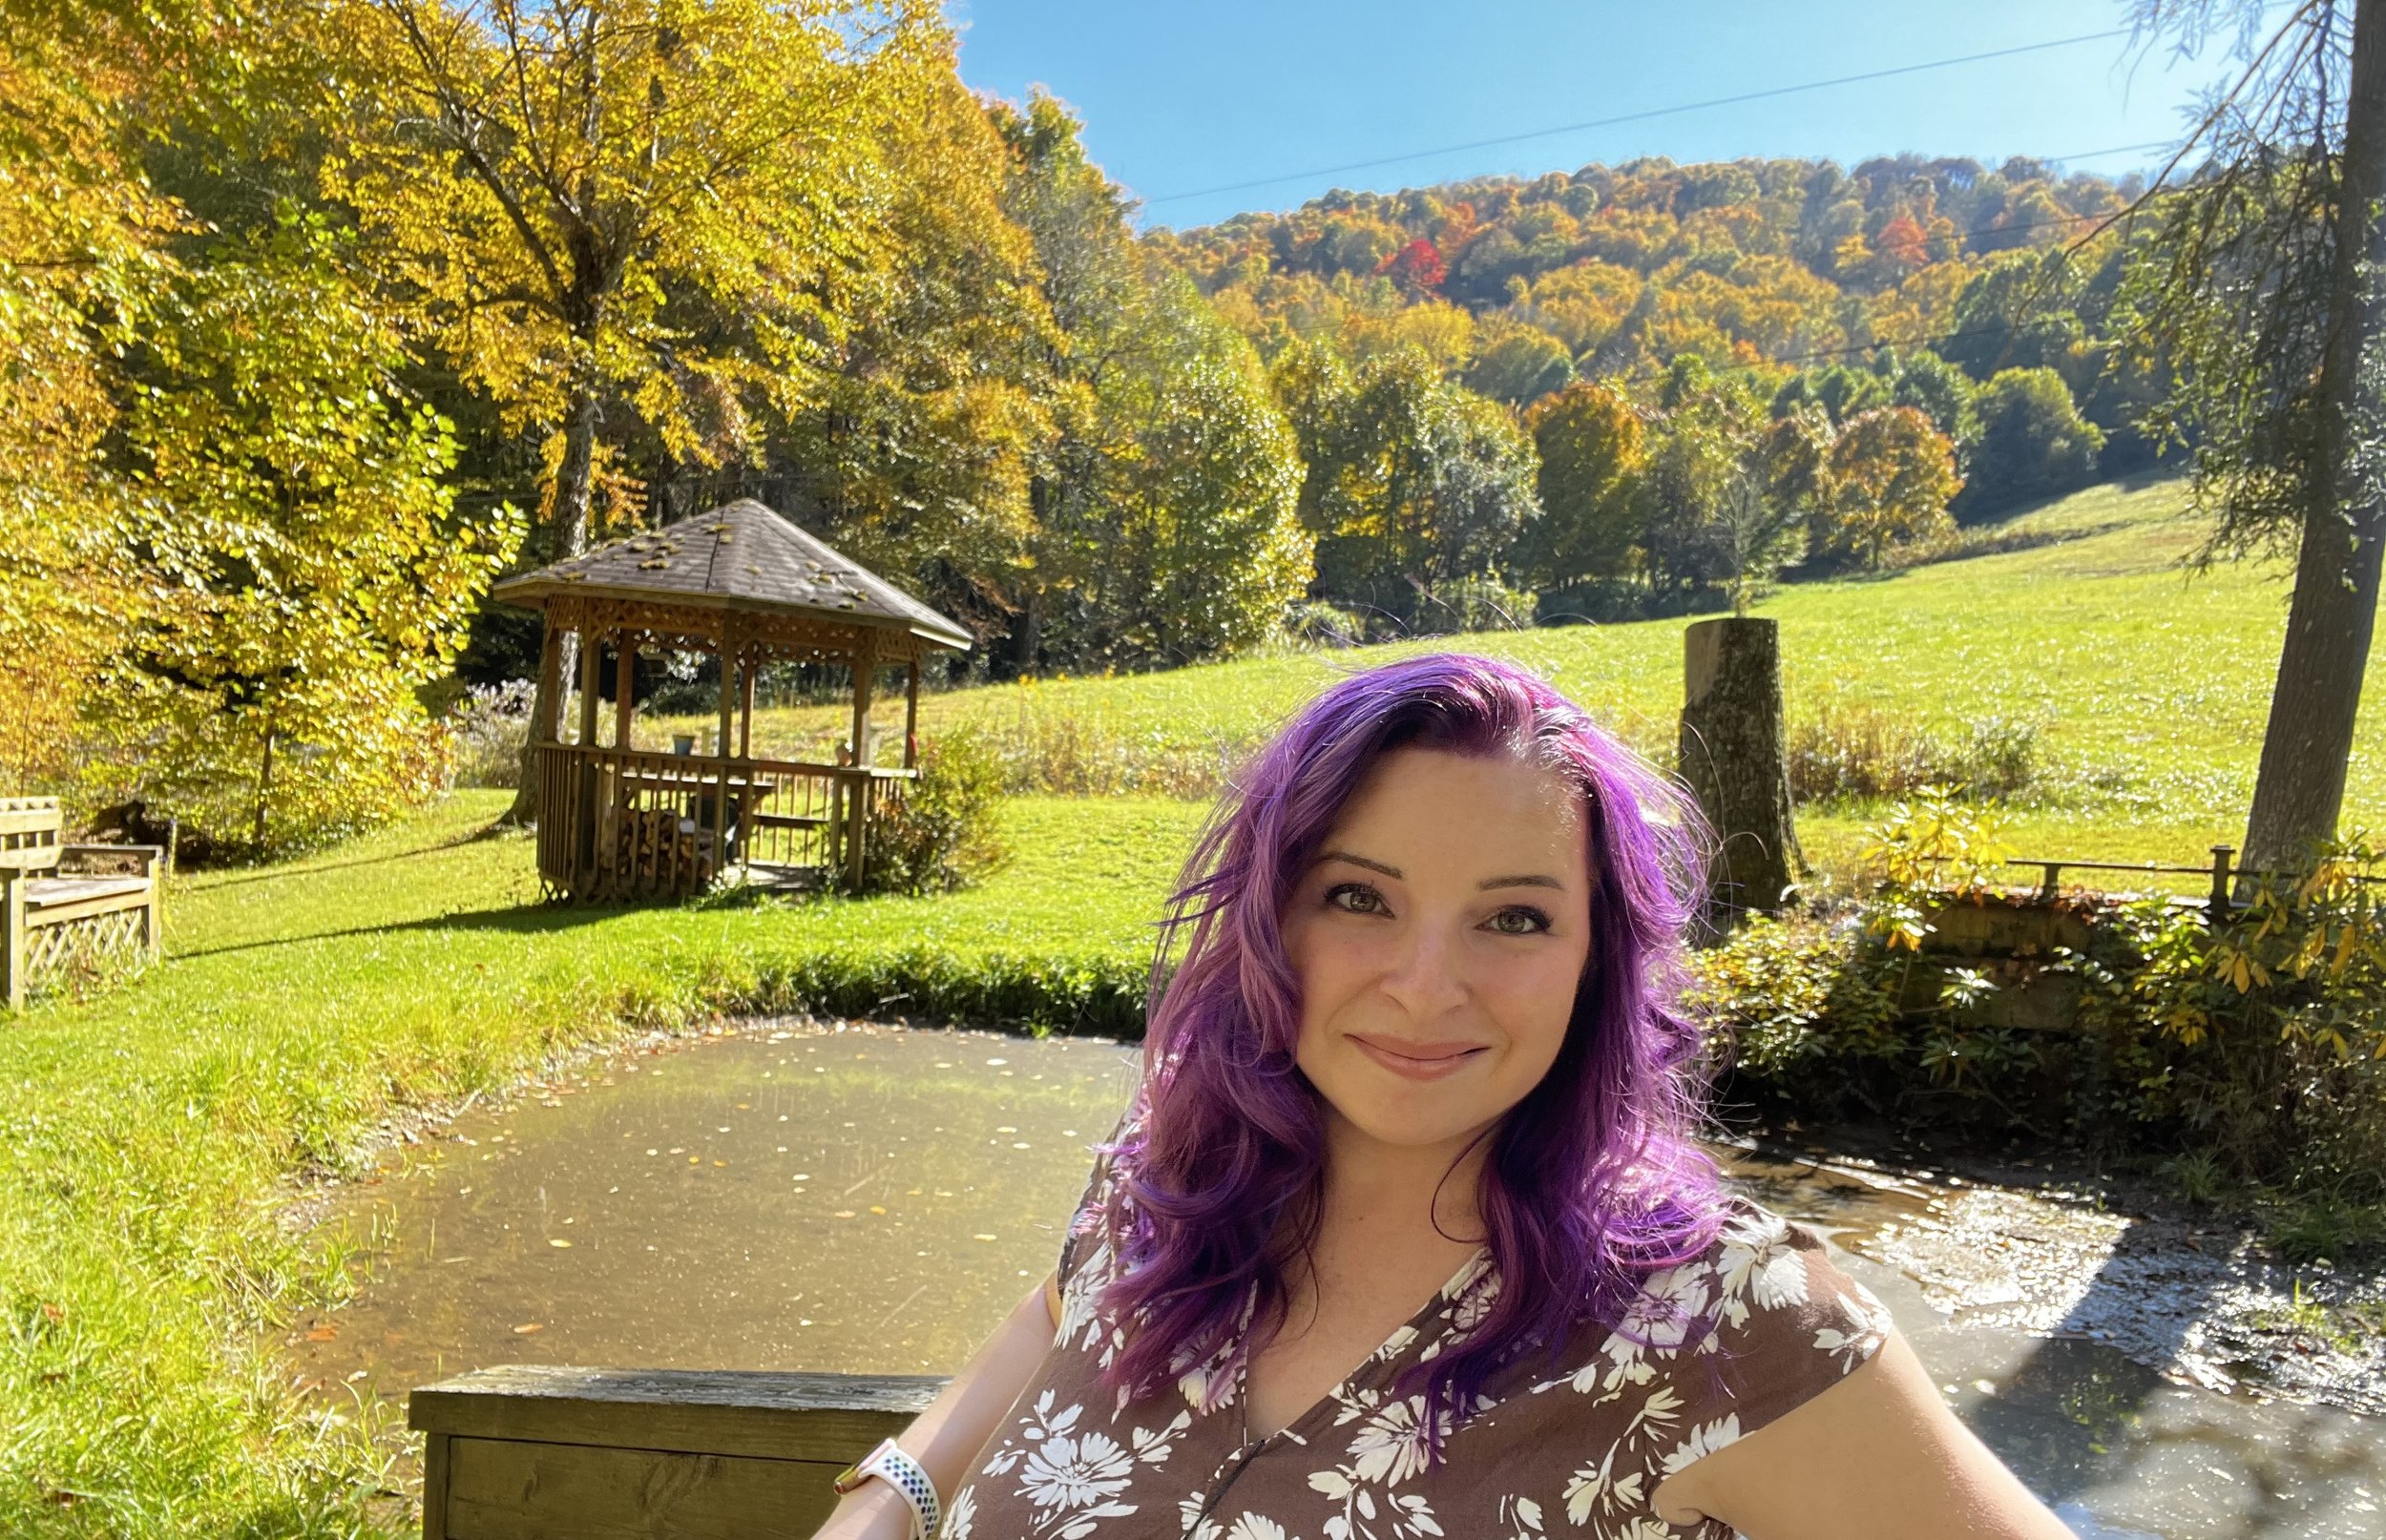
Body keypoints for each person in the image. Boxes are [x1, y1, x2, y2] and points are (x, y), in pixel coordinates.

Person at [813, 653, 2075, 1540]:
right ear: (1272, 918)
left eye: (1514, 917)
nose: (1425, 988)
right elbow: (1053, 1317)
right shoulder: (1167, 1181)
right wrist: (889, 1498)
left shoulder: (1726, 1325)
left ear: (1595, 960)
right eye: (1360, 896)